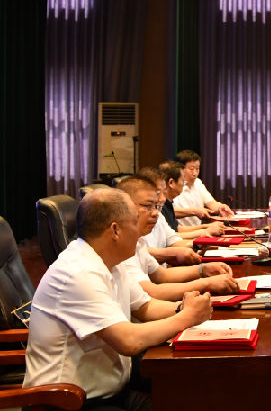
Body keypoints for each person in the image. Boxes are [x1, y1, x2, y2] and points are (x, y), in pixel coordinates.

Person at [23, 189, 212, 411]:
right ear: (115, 230)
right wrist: (187, 317)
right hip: (68, 403)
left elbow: (146, 307)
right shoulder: (77, 272)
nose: (140, 232)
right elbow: (128, 340)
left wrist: (184, 307)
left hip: (111, 390)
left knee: (189, 389)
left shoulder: (111, 261)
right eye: (134, 222)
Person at [118, 176, 239, 301]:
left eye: (156, 206)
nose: (155, 213)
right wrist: (205, 284)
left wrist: (203, 269)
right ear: (125, 208)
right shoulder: (122, 249)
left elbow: (162, 275)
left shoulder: (138, 242)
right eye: (148, 206)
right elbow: (152, 293)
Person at [158, 161, 225, 240]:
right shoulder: (159, 206)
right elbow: (169, 238)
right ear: (171, 183)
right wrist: (204, 231)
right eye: (182, 180)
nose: (184, 183)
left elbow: (177, 229)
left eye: (197, 168)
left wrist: (206, 227)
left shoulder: (168, 203)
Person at [172, 149, 233, 228]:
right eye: (191, 169)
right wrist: (195, 211)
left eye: (197, 168)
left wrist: (220, 207)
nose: (195, 173)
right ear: (180, 169)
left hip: (198, 230)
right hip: (180, 231)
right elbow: (169, 211)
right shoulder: (174, 186)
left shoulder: (198, 183)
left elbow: (211, 203)